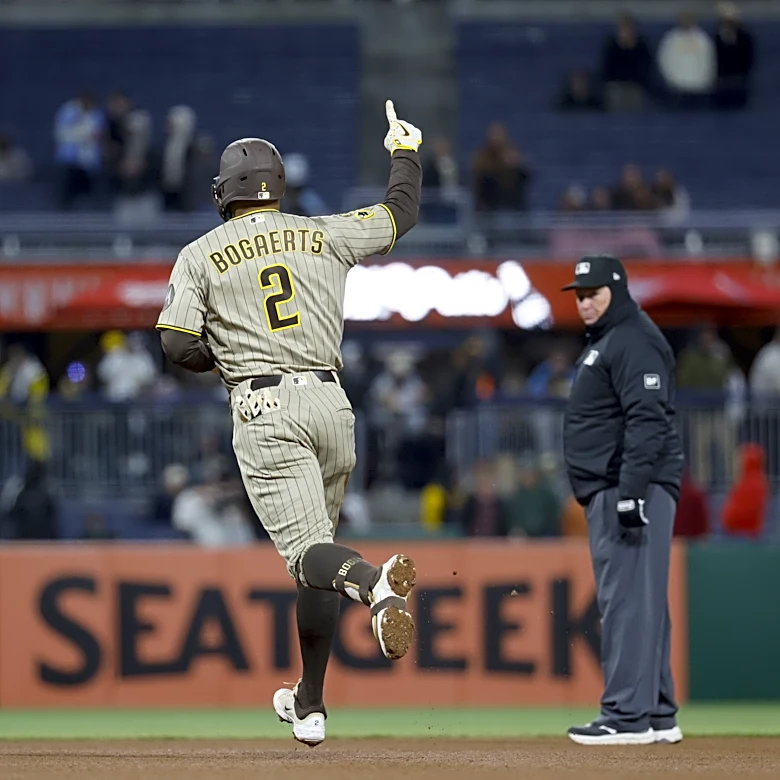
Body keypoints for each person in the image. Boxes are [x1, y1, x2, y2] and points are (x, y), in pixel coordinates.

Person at [155, 100, 422, 747]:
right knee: (314, 562)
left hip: (265, 404)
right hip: (333, 404)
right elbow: (399, 216)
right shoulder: (324, 231)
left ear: (225, 191)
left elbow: (175, 344)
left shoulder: (201, 253)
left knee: (314, 556)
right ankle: (310, 702)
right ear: (279, 185)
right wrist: (405, 152)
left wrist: (227, 355)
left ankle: (376, 583)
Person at [560, 254, 684, 746]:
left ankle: (626, 716)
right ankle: (655, 711)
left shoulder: (632, 337)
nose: (585, 303)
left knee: (626, 601)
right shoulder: (616, 338)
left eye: (594, 293)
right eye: (580, 295)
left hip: (630, 486)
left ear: (617, 289)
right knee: (643, 600)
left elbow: (648, 419)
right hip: (625, 485)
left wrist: (631, 494)